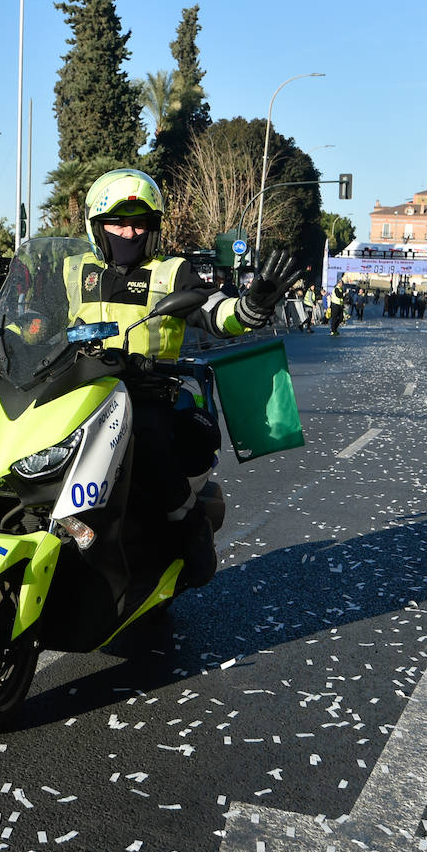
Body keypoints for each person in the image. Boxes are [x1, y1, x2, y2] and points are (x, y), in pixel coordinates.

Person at [64, 168, 303, 588]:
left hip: (145, 394)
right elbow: (31, 318)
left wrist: (252, 304)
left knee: (154, 446)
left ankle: (189, 526)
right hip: (76, 391)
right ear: (97, 226)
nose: (129, 231)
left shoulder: (171, 272)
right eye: (119, 222)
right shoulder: (71, 269)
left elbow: (216, 313)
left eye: (140, 223)